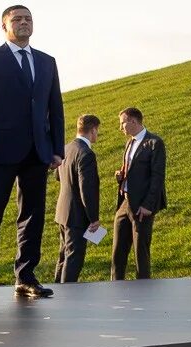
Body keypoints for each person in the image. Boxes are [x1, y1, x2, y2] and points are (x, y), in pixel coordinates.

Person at [0, 4, 64, 301]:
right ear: (4, 26)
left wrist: (57, 150)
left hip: (38, 151)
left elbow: (55, 109)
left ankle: (25, 276)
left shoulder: (47, 62)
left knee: (33, 217)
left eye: (28, 19)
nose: (23, 23)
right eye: (17, 19)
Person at [111, 106, 167, 280]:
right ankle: (115, 287)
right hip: (124, 202)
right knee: (118, 251)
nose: (121, 128)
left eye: (123, 124)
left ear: (133, 121)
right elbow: (133, 170)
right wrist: (121, 176)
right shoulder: (130, 142)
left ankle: (143, 291)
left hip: (142, 206)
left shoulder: (154, 143)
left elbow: (157, 178)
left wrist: (148, 205)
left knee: (140, 253)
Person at [54, 114, 101, 283]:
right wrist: (93, 218)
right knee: (74, 257)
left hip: (62, 211)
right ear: (93, 129)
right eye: (97, 131)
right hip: (77, 215)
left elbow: (57, 176)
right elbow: (86, 189)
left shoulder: (66, 149)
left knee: (63, 255)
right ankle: (67, 294)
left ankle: (58, 290)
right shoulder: (86, 154)